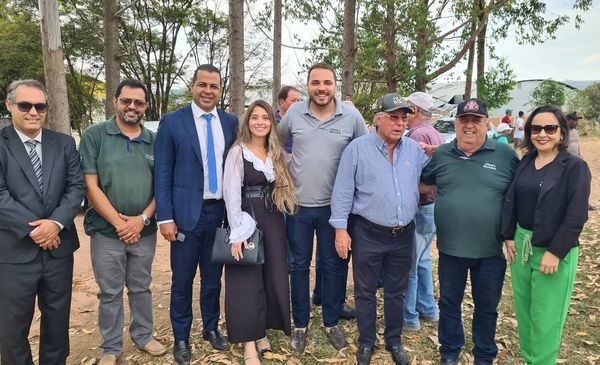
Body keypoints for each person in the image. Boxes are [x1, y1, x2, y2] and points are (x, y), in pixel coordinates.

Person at [330, 93, 429, 365]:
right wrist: (341, 230)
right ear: (378, 119)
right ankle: (366, 341)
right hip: (368, 232)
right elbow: (342, 192)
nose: (400, 124)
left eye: (404, 118)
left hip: (402, 233)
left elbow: (431, 178)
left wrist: (438, 152)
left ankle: (394, 339)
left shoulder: (413, 150)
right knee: (365, 290)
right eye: (393, 117)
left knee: (397, 290)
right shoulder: (357, 149)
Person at [278, 62, 368, 353]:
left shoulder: (351, 116)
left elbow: (365, 153)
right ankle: (301, 324)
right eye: (315, 83)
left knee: (332, 266)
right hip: (298, 208)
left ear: (335, 86)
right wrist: (283, 174)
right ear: (308, 86)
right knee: (299, 266)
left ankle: (331, 322)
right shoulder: (294, 113)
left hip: (335, 210)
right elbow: (274, 144)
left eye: (327, 83)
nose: (321, 88)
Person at [421, 98, 518, 365]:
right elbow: (421, 185)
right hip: (451, 249)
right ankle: (450, 351)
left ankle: (484, 354)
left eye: (476, 120)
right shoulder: (442, 154)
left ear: (487, 123)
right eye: (464, 120)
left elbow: (520, 194)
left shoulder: (505, 155)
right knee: (449, 304)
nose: (470, 125)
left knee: (486, 308)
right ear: (457, 123)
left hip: (490, 250)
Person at [154, 64, 239, 364]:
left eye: (214, 86)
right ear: (192, 86)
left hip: (219, 214)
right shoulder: (173, 122)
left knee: (213, 279)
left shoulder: (230, 123)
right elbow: (162, 172)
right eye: (202, 84)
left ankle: (211, 328)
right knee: (182, 280)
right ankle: (181, 336)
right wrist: (165, 217)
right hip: (185, 216)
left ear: (220, 90)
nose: (208, 91)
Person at [79, 79, 166, 365]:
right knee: (110, 291)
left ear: (146, 106)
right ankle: (111, 347)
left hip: (144, 230)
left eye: (138, 102)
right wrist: (120, 224)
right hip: (106, 231)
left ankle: (143, 336)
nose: (132, 107)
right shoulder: (95, 136)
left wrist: (141, 220)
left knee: (141, 286)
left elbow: (161, 186)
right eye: (126, 100)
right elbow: (90, 185)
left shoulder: (155, 140)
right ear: (115, 101)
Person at [0, 79, 86, 364]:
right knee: (12, 328)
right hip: (14, 252)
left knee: (57, 323)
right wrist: (39, 229)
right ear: (10, 105)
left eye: (40, 106)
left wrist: (56, 224)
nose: (33, 112)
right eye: (25, 105)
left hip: (58, 250)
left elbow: (76, 187)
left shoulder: (63, 143)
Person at [501, 106, 591, 365]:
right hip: (522, 245)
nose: (542, 134)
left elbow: (576, 216)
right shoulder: (526, 161)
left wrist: (555, 252)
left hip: (553, 250)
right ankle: (531, 360)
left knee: (545, 318)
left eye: (549, 128)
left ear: (561, 133)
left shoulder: (574, 167)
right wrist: (508, 235)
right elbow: (513, 199)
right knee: (526, 313)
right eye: (535, 129)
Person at [223, 100, 297, 364]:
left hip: (273, 218)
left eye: (265, 118)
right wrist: (237, 232)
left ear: (271, 122)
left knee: (272, 275)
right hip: (247, 218)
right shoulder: (238, 152)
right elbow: (231, 193)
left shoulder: (275, 152)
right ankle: (249, 343)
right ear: (247, 121)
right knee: (247, 279)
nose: (260, 122)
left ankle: (263, 328)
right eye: (254, 117)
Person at [403, 91, 444, 332]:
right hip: (433, 206)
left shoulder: (417, 135)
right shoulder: (435, 133)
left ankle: (409, 317)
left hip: (420, 206)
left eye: (408, 109)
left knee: (410, 263)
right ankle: (429, 308)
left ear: (416, 111)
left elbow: (414, 175)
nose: (405, 116)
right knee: (423, 259)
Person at [274, 86, 301, 154]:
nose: (297, 103)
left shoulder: (302, 122)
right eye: (293, 100)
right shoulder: (271, 123)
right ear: (282, 102)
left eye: (298, 100)